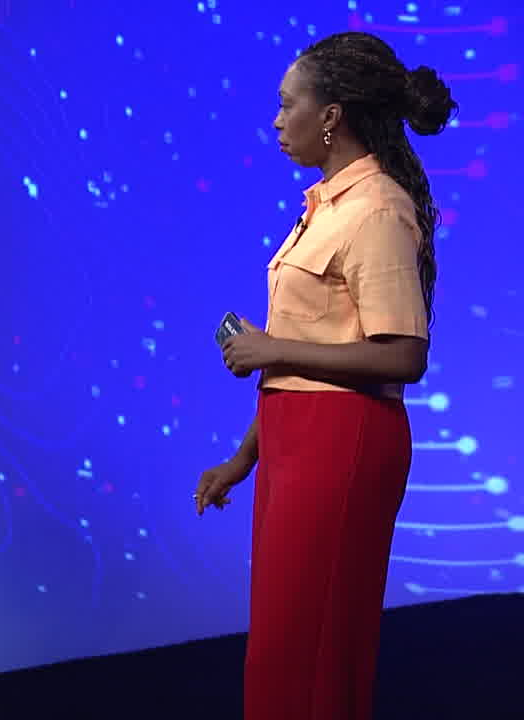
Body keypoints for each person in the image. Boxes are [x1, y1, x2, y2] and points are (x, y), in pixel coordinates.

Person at [193, 32, 456, 719]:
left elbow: (404, 356)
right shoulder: (326, 207)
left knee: (311, 648)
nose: (278, 121)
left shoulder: (377, 209)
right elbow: (307, 351)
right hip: (295, 440)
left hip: (341, 444)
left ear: (331, 115)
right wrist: (244, 457)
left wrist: (271, 349)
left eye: (288, 105)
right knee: (281, 646)